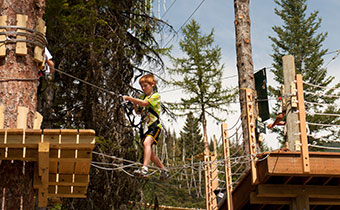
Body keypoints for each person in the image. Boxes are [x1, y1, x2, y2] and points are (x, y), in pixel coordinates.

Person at [123, 74, 169, 180]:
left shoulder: (155, 96)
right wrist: (134, 103)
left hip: (154, 126)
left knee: (146, 143)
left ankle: (145, 168)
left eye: (145, 85)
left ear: (152, 84)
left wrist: (131, 98)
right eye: (142, 86)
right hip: (145, 127)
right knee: (150, 153)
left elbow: (145, 104)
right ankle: (164, 170)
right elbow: (138, 112)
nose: (143, 88)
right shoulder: (142, 97)